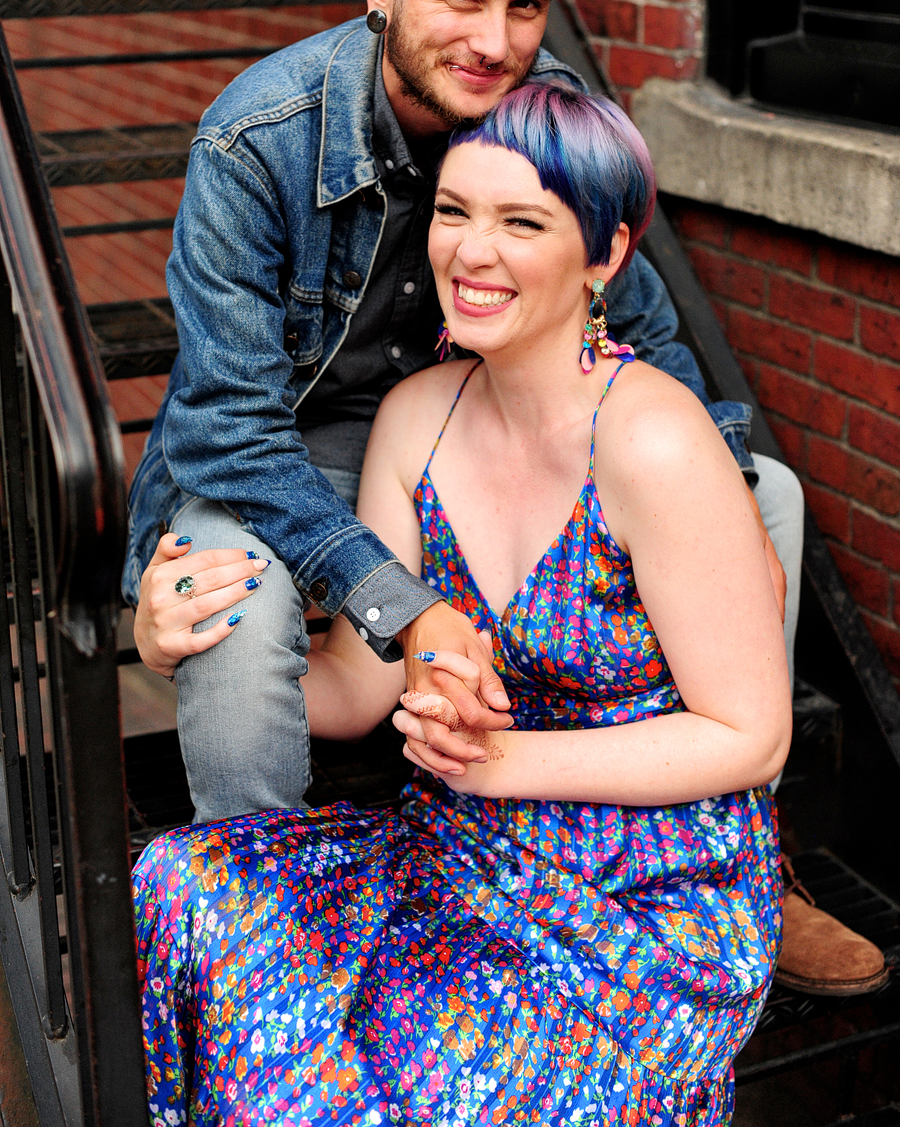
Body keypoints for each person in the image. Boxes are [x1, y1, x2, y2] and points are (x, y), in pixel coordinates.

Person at [126, 0, 885, 997]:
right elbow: (224, 423)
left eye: (527, 4)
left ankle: (737, 857)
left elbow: (642, 324)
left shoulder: (547, 119)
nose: (495, 41)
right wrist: (399, 607)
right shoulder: (255, 141)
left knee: (768, 496)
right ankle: (262, 922)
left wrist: (720, 491)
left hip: (476, 417)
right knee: (229, 598)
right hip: (286, 442)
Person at [133, 85, 791, 1126]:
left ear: (606, 256)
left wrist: (501, 762)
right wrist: (188, 647)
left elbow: (749, 737)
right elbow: (362, 680)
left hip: (649, 892)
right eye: (454, 211)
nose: (471, 253)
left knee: (410, 1083)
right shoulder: (416, 419)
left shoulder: (654, 438)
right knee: (185, 885)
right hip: (454, 850)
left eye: (522, 222)